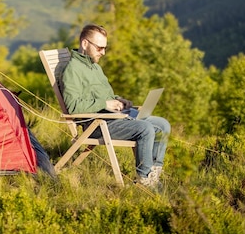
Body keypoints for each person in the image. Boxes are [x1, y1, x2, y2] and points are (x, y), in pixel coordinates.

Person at [60, 24, 170, 189]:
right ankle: (144, 180)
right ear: (84, 44)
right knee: (145, 128)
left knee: (162, 125)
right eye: (99, 48)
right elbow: (73, 107)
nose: (103, 52)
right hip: (97, 124)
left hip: (111, 117)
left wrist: (119, 101)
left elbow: (107, 96)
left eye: (105, 48)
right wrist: (105, 104)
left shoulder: (94, 67)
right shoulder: (72, 70)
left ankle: (154, 175)